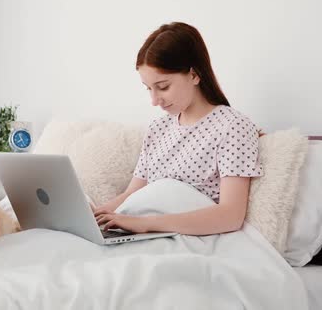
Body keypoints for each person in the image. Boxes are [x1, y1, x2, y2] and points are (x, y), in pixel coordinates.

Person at [94, 22, 263, 235]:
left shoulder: (232, 126)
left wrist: (145, 224)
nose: (155, 101)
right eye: (149, 89)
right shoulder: (157, 129)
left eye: (163, 87)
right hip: (144, 234)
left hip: (191, 238)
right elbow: (132, 193)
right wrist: (96, 216)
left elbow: (231, 215)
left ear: (194, 74)